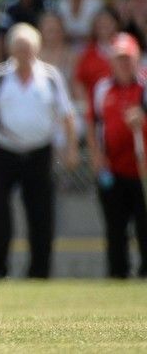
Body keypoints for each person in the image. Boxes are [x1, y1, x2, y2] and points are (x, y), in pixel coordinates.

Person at [0, 22, 79, 279]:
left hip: (40, 152)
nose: (23, 53)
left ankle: (40, 271)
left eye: (27, 48)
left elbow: (68, 115)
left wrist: (71, 149)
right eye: (18, 48)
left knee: (41, 212)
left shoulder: (50, 76)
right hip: (3, 151)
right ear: (10, 50)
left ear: (37, 49)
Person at [87, 33, 147, 278]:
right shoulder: (102, 88)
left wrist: (142, 119)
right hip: (112, 168)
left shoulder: (145, 86)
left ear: (137, 59)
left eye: (127, 58)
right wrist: (96, 156)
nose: (123, 63)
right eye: (119, 58)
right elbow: (93, 123)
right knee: (115, 227)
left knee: (144, 225)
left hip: (142, 169)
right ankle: (118, 274)